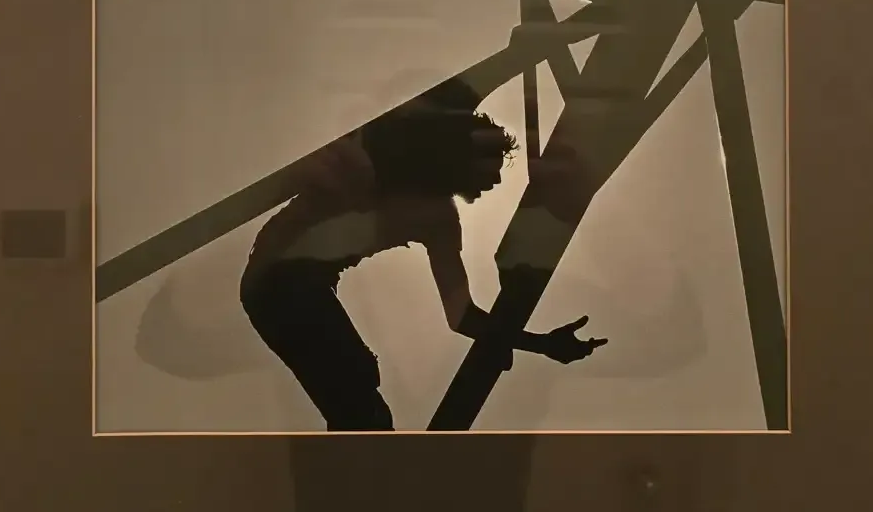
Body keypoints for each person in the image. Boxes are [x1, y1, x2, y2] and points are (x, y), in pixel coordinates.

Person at [238, 96, 607, 432]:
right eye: (491, 168)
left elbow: (461, 316)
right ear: (464, 159)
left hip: (292, 288)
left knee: (361, 407)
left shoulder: (440, 220)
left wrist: (539, 344)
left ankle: (348, 477)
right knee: (363, 409)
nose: (496, 180)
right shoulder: (394, 164)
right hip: (280, 280)